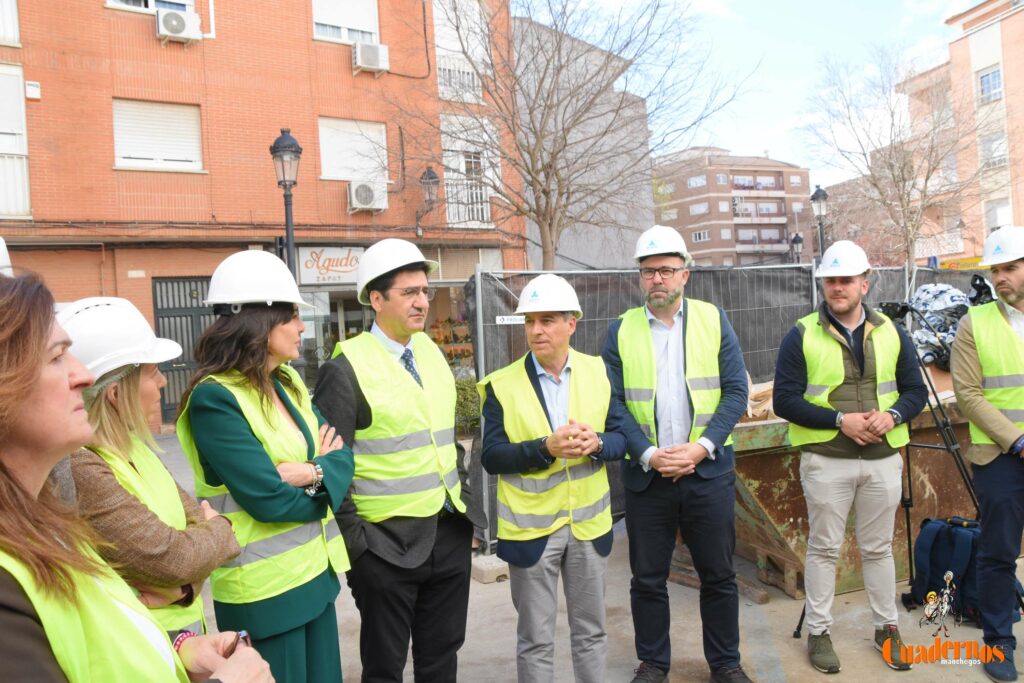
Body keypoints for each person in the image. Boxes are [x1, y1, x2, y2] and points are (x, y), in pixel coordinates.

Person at [0, 271, 272, 682]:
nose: (83, 376)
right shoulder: (72, 485)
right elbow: (174, 556)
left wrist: (177, 645)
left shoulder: (48, 524)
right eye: (57, 357)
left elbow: (105, 632)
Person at [313, 238, 486, 683]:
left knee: (441, 658)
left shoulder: (429, 351)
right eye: (409, 292)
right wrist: (359, 550)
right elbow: (331, 466)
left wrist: (462, 501)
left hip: (447, 533)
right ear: (376, 298)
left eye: (424, 291)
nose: (422, 302)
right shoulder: (346, 367)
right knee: (385, 667)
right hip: (384, 549)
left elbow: (444, 439)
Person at [176, 250, 354, 683]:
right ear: (258, 322)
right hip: (265, 596)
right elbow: (269, 501)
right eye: (292, 316)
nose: (301, 327)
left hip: (317, 578)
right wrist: (325, 479)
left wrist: (311, 473)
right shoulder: (215, 398)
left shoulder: (288, 381)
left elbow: (342, 455)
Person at [602, 225, 751, 683]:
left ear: (686, 274)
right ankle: (653, 664)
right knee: (647, 580)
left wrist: (701, 448)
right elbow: (612, 403)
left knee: (719, 577)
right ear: (640, 278)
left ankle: (726, 664)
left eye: (666, 269)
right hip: (649, 479)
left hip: (706, 473)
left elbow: (735, 391)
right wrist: (648, 453)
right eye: (649, 272)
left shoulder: (713, 320)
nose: (658, 279)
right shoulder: (620, 330)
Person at [773, 240, 926, 674]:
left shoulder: (894, 332)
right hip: (827, 458)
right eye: (830, 281)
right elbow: (784, 400)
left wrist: (892, 415)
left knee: (878, 549)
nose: (837, 287)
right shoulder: (801, 333)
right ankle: (819, 632)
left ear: (864, 283)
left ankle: (887, 628)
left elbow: (915, 392)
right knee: (824, 548)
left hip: (882, 458)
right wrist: (841, 420)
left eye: (845, 280)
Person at [59, 297, 239, 637]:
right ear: (115, 393)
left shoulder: (136, 447)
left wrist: (184, 588)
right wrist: (221, 530)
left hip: (184, 643)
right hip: (141, 648)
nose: (163, 383)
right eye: (153, 372)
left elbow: (185, 545)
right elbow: (175, 557)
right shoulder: (83, 467)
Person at [477, 274, 627, 683]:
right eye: (530, 321)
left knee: (591, 634)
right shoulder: (501, 385)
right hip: (531, 534)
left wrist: (596, 444)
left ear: (571, 324)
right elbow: (491, 457)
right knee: (536, 640)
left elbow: (622, 439)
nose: (536, 330)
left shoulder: (599, 373)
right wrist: (545, 448)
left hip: (588, 527)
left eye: (547, 320)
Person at [951, 226, 1024, 683]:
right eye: (996, 269)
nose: (1001, 277)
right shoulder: (973, 323)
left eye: (1010, 268)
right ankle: (999, 644)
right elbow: (969, 394)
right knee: (998, 553)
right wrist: (1016, 440)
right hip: (999, 456)